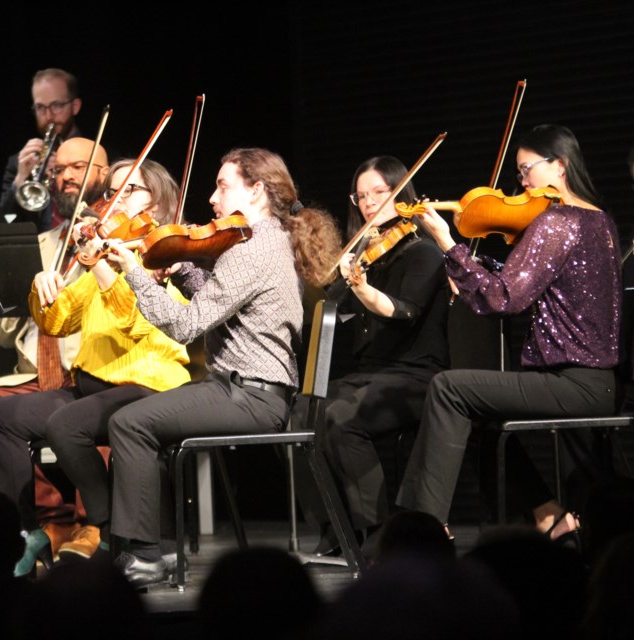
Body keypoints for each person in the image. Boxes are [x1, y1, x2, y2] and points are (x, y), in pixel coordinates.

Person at [105, 148, 341, 586]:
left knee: (130, 424)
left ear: (256, 191)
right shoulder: (261, 240)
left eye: (222, 185)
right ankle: (144, 550)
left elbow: (186, 324)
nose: (213, 198)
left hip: (251, 397)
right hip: (237, 388)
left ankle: (144, 556)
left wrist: (132, 271)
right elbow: (218, 303)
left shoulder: (254, 248)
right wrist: (181, 269)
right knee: (133, 420)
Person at [397, 124, 621, 540]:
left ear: (559, 167)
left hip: (571, 382)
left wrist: (449, 245)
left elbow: (502, 300)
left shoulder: (557, 222)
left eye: (526, 170)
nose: (520, 185)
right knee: (475, 413)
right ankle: (547, 516)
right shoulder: (600, 221)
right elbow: (531, 283)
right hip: (597, 382)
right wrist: (469, 269)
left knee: (448, 388)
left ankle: (422, 531)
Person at [0, 158, 190, 573]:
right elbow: (59, 322)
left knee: (66, 425)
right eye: (113, 192)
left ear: (160, 199)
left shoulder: (169, 254)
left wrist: (106, 269)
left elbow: (136, 320)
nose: (117, 199)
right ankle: (27, 532)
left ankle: (108, 529)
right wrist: (43, 293)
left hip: (147, 381)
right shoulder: (105, 255)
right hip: (93, 385)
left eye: (130, 190)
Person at [313, 156, 449, 554]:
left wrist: (364, 290)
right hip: (372, 374)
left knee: (341, 416)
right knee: (301, 410)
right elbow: (331, 303)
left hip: (415, 377)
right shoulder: (367, 253)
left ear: (400, 194)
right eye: (361, 197)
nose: (369, 203)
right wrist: (342, 275)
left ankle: (376, 530)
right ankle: (333, 526)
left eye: (379, 193)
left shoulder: (422, 252)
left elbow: (403, 311)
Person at [0, 137, 108, 558]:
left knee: (103, 403)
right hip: (33, 375)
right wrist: (16, 297)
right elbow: (0, 334)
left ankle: (95, 527)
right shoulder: (39, 246)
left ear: (103, 175)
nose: (66, 176)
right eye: (58, 170)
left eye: (78, 167)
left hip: (87, 373)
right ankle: (49, 522)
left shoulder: (115, 244)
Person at [0, 68, 83, 231]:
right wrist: (21, 178)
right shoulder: (19, 162)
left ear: (75, 106)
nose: (49, 115)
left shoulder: (97, 155)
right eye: (40, 107)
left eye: (56, 105)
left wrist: (62, 175)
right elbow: (3, 219)